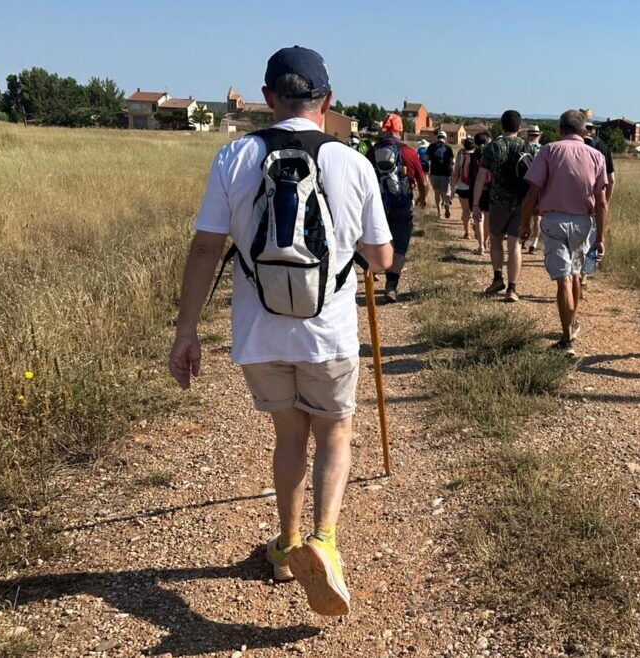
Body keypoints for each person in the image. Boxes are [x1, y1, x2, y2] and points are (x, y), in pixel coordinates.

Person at [168, 46, 394, 617]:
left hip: (259, 335)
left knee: (289, 435)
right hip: (330, 334)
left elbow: (205, 247)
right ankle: (325, 540)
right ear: (328, 101)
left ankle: (286, 543)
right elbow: (383, 259)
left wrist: (187, 330)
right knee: (335, 434)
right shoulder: (353, 163)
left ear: (268, 97)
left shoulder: (234, 158)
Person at [520, 110, 607, 353]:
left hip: (554, 221)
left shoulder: (549, 151)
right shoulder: (597, 156)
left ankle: (567, 338)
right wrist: (601, 237)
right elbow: (602, 202)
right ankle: (572, 321)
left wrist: (525, 223)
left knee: (563, 280)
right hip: (583, 223)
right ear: (584, 131)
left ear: (560, 129)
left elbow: (532, 194)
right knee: (576, 273)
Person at [368, 114, 428, 303]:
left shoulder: (371, 152)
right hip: (402, 205)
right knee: (400, 247)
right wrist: (422, 197)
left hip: (378, 206)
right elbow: (423, 182)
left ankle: (372, 275)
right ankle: (391, 287)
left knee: (378, 241)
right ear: (399, 130)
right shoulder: (409, 152)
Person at [473, 111, 530, 302]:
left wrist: (475, 203)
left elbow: (481, 177)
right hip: (520, 201)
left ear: (502, 125)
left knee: (496, 240)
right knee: (515, 246)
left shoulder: (492, 148)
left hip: (498, 201)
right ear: (519, 127)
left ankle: (498, 278)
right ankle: (512, 289)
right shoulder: (526, 146)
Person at [580, 120, 617, 290]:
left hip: (575, 201)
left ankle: (573, 273)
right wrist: (605, 202)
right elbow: (611, 180)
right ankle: (584, 276)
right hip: (596, 200)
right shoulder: (603, 147)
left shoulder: (572, 145)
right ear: (593, 129)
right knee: (593, 240)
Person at [469, 131, 492, 254]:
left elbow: (469, 174)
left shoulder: (473, 155)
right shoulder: (492, 154)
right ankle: (485, 242)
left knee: (478, 219)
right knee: (488, 218)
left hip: (476, 189)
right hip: (490, 189)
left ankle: (481, 246)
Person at [523, 125, 544, 254]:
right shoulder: (544, 150)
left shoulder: (523, 148)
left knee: (525, 215)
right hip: (540, 186)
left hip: (525, 186)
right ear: (539, 135)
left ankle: (522, 239)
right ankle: (534, 243)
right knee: (537, 218)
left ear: (528, 135)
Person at [425, 129, 455, 219]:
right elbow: (452, 161)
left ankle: (439, 212)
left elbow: (426, 158)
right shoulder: (448, 148)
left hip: (434, 172)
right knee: (445, 192)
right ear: (445, 138)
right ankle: (447, 205)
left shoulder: (431, 146)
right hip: (445, 173)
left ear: (437, 137)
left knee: (437, 193)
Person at [454, 136, 476, 238]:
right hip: (476, 187)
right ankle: (477, 227)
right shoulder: (478, 154)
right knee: (477, 209)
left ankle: (467, 233)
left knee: (466, 210)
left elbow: (456, 172)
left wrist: (453, 187)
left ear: (464, 145)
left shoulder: (461, 154)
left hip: (463, 186)